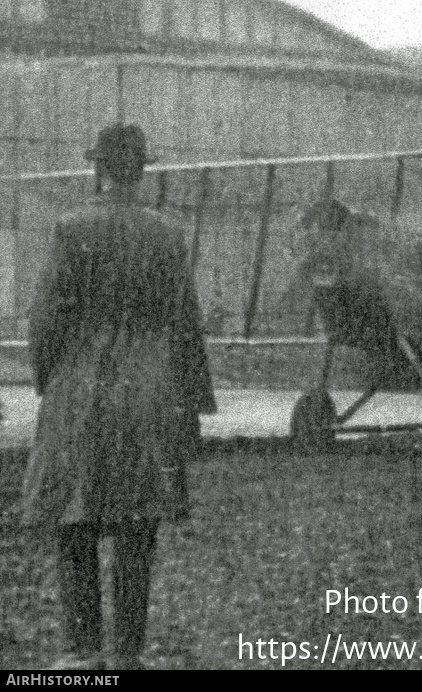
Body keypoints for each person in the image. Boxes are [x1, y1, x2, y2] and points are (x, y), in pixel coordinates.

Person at [20, 124, 216, 669]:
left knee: (73, 518)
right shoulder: (168, 234)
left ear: (99, 168)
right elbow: (185, 325)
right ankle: (129, 655)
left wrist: (49, 382)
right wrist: (191, 402)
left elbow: (45, 320)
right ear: (142, 170)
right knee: (138, 526)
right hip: (149, 393)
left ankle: (83, 655)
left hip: (80, 391)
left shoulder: (71, 227)